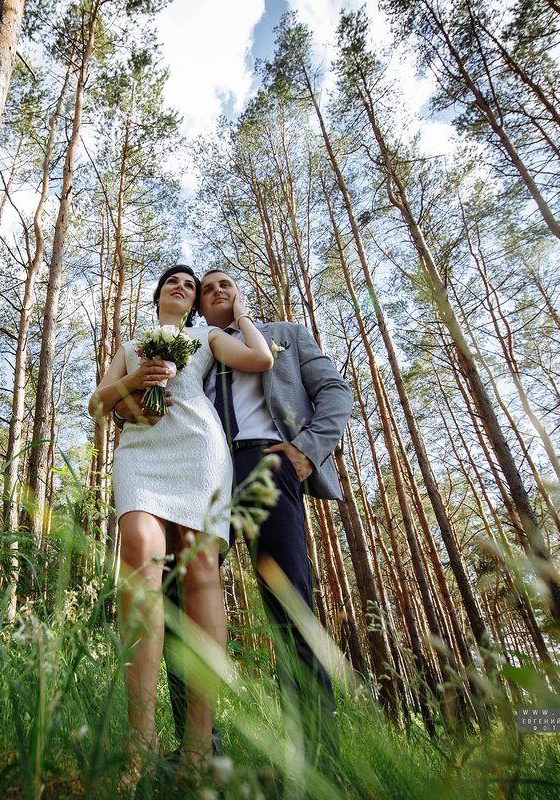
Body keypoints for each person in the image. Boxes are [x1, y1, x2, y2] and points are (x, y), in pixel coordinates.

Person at [116, 268, 354, 767]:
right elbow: (137, 399)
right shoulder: (190, 343)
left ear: (239, 293)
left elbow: (335, 392)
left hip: (271, 464)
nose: (217, 291)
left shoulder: (285, 334)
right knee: (183, 597)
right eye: (209, 288)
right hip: (204, 467)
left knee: (288, 601)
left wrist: (307, 452)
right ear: (198, 306)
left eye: (226, 284)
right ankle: (198, 748)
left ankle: (317, 762)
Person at [88, 264, 274, 781]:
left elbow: (259, 358)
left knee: (201, 578)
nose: (182, 286)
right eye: (174, 280)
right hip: (141, 457)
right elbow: (96, 405)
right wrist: (133, 379)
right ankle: (138, 742)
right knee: (137, 568)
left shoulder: (206, 335)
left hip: (199, 451)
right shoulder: (129, 345)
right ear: (157, 294)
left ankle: (196, 748)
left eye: (191, 285)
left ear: (195, 303)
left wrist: (239, 313)